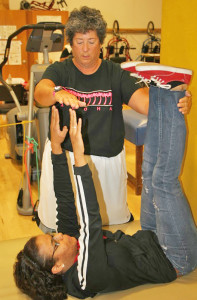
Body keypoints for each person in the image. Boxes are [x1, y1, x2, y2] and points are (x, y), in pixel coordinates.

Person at [14, 84, 197, 299]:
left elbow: (64, 198)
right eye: (55, 243)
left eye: (52, 235)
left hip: (149, 236)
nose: (60, 235)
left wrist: (56, 147)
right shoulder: (83, 279)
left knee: (147, 170)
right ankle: (175, 90)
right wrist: (80, 160)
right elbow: (91, 223)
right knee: (163, 181)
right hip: (174, 255)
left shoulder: (68, 247)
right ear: (57, 268)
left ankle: (160, 89)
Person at [34, 6, 192, 232]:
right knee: (63, 227)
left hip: (106, 162)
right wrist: (55, 93)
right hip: (66, 159)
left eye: (91, 41)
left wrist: (177, 101)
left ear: (101, 42)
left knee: (107, 228)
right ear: (71, 43)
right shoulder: (61, 70)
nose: (86, 49)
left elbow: (146, 104)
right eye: (79, 42)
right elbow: (40, 93)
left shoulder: (116, 73)